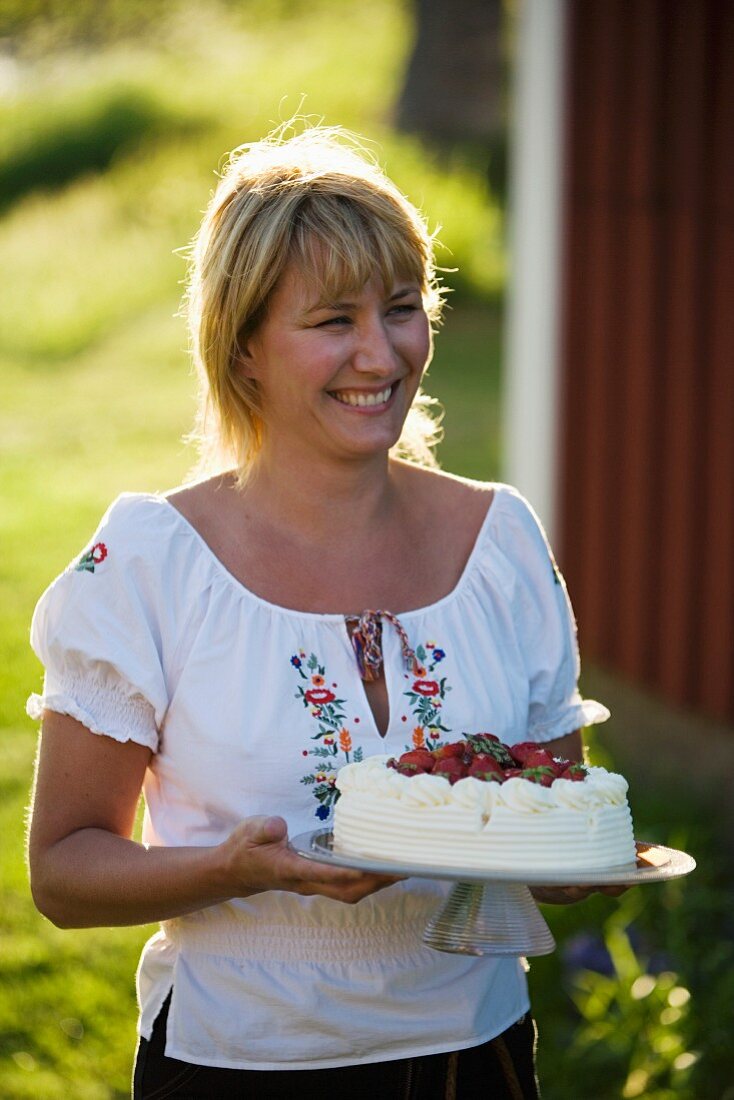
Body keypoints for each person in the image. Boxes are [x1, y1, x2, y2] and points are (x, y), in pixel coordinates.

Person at [27, 123, 615, 1099]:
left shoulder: (499, 541)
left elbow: (549, 823)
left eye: (401, 307)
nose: (380, 352)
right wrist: (238, 866)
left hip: (473, 1051)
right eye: (332, 319)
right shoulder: (148, 563)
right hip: (240, 1058)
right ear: (244, 345)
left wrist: (578, 858)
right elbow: (63, 871)